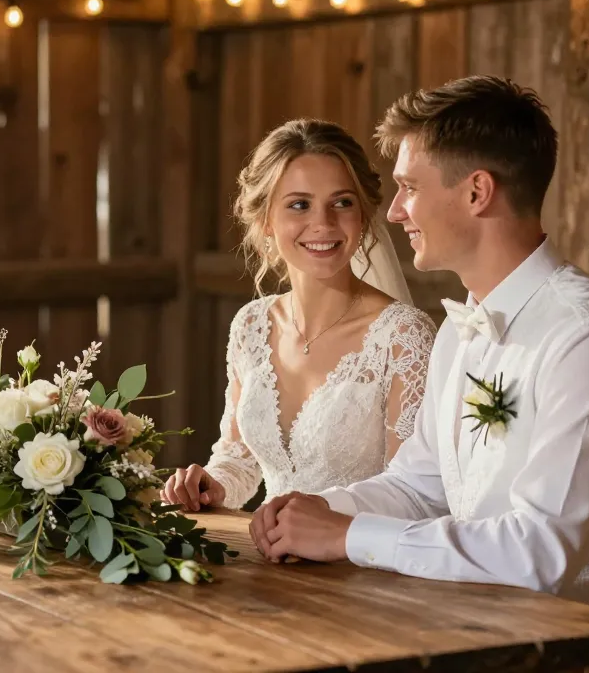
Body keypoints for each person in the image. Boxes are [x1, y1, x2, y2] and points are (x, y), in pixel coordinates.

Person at [248, 76, 589, 630]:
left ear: (477, 192)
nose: (396, 211)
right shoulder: (461, 330)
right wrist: (321, 510)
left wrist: (349, 536)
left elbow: (540, 554)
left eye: (409, 187)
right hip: (467, 631)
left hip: (580, 655)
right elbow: (417, 485)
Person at [161, 119, 437, 512]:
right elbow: (238, 459)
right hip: (269, 556)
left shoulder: (403, 338)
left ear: (363, 215)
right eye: (299, 205)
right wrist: (213, 484)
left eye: (342, 202)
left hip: (362, 561)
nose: (323, 224)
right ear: (266, 220)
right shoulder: (252, 326)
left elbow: (411, 495)